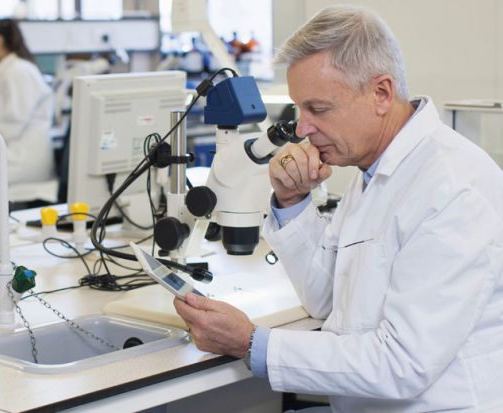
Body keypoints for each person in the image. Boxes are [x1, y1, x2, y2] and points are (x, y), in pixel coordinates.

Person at [174, 5, 503, 412]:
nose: (302, 129)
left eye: (319, 109)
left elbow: (401, 365)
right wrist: (293, 202)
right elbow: (328, 301)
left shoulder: (452, 189)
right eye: (299, 109)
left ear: (381, 93)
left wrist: (252, 343)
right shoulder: (375, 169)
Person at [0, 16, 55, 192]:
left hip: (23, 158)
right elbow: (3, 123)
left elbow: (11, 126)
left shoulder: (18, 72)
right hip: (11, 151)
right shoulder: (7, 70)